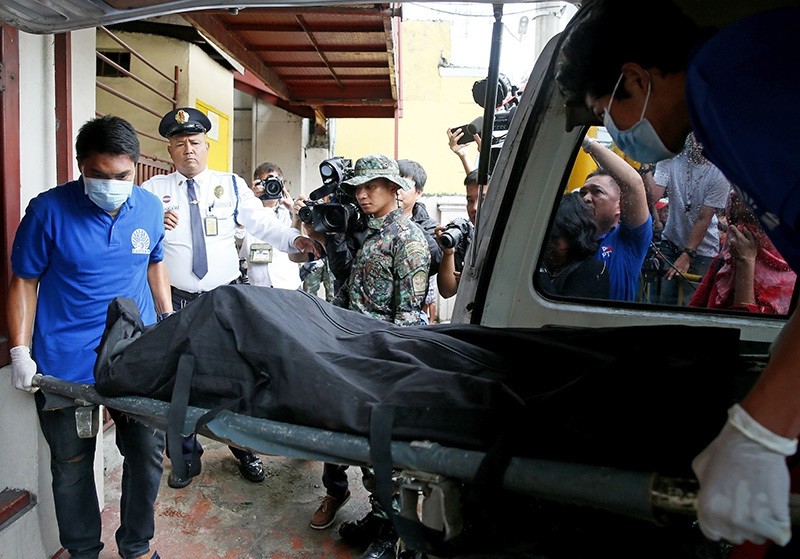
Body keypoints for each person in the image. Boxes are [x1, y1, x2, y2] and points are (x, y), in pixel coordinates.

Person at [555, 0, 800, 547]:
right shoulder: (719, 105)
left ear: (636, 80)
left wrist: (760, 430)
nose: (612, 131)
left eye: (604, 113)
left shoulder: (728, 85)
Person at [7, 115, 171, 559]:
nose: (111, 185)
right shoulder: (48, 211)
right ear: (81, 166)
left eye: (122, 176)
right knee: (72, 466)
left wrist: (168, 319)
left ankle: (136, 547)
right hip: (65, 364)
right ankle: (83, 554)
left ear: (135, 167)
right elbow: (24, 280)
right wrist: (20, 351)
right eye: (99, 176)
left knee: (145, 457)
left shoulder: (150, 208)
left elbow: (154, 262)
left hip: (135, 359)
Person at [141, 107, 319, 489]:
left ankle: (244, 449)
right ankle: (186, 457)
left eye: (194, 143)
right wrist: (153, 221)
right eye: (179, 144)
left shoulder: (232, 185)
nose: (188, 150)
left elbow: (264, 225)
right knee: (177, 383)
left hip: (222, 300)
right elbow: (137, 242)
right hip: (175, 301)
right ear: (169, 150)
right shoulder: (153, 192)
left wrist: (294, 240)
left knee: (232, 379)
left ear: (206, 146)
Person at [313, 154, 430, 559]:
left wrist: (394, 374)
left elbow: (408, 319)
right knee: (363, 445)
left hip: (385, 361)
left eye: (372, 187)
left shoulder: (407, 240)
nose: (362, 195)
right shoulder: (364, 233)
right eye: (358, 188)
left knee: (386, 451)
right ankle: (380, 517)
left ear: (394, 189)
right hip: (354, 352)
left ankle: (396, 532)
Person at [644, 133, 731, 306]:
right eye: (696, 135)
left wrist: (688, 253)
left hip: (702, 251)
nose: (700, 142)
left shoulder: (721, 172)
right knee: (662, 302)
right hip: (670, 242)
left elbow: (703, 217)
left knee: (690, 304)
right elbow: (652, 197)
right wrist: (645, 166)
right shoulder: (670, 159)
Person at [688, 191, 797, 315]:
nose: (740, 230)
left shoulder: (793, 277)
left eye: (751, 222)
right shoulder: (724, 261)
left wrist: (745, 264)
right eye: (735, 221)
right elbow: (694, 313)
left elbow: (751, 329)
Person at [579, 134, 652, 301]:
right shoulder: (571, 236)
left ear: (620, 205)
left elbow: (634, 184)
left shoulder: (629, 240)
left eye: (597, 192)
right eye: (583, 193)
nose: (586, 198)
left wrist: (586, 141)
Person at [238, 161, 302, 289]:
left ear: (282, 185)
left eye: (275, 183)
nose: (271, 187)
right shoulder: (247, 210)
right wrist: (249, 200)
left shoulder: (292, 212)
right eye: (265, 183)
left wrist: (294, 211)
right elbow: (238, 234)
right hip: (256, 284)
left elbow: (306, 240)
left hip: (287, 285)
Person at [537, 191, 610, 299]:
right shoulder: (549, 265)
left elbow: (558, 312)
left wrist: (539, 272)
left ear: (574, 237)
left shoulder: (591, 270)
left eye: (554, 239)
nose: (548, 245)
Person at [397, 158, 442, 322]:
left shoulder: (428, 227)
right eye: (393, 183)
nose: (398, 191)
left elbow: (435, 263)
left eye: (405, 185)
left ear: (419, 192)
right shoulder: (372, 222)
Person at [437, 169, 483, 299]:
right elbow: (447, 291)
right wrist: (448, 253)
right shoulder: (467, 237)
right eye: (470, 201)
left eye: (483, 199)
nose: (474, 208)